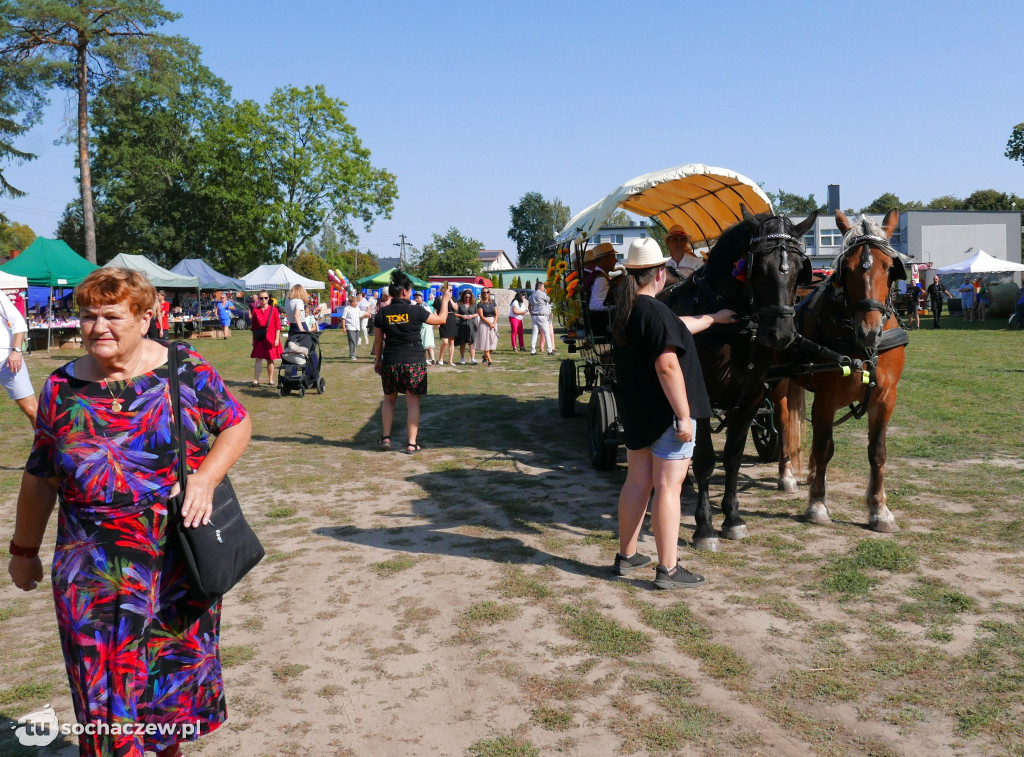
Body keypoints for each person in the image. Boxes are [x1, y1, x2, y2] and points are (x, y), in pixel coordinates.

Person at [7, 267, 251, 757]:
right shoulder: (61, 389)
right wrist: (23, 551)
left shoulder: (185, 368)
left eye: (112, 315)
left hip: (176, 561)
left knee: (168, 694)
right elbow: (41, 475)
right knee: (104, 697)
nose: (98, 327)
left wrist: (205, 479)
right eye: (88, 315)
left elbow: (236, 425)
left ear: (145, 317)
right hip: (93, 573)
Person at [610, 237, 733, 590]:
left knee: (637, 483)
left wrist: (712, 318)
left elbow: (679, 326)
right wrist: (683, 415)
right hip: (667, 416)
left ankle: (627, 556)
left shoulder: (629, 310)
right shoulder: (656, 312)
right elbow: (667, 366)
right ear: (661, 274)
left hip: (638, 413)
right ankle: (669, 569)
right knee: (668, 486)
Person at [373, 272, 453, 453]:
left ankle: (386, 438)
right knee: (413, 402)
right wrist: (446, 299)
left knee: (389, 399)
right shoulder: (416, 309)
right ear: (406, 292)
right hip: (413, 360)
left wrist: (378, 360)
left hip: (391, 359)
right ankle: (411, 443)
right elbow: (441, 320)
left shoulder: (382, 312)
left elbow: (378, 341)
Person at [0, 289, 36, 428]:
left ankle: (47, 446)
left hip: (7, 360)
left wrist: (16, 351)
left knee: (31, 409)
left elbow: (18, 321)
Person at [250, 290, 283, 386]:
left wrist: (277, 339)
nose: (263, 300)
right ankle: (256, 380)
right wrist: (253, 340)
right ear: (259, 299)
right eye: (261, 298)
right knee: (258, 358)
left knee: (270, 359)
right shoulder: (255, 311)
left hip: (271, 337)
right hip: (259, 338)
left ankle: (270, 379)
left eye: (265, 298)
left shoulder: (274, 310)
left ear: (268, 298)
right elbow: (254, 327)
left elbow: (278, 326)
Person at [474, 286, 499, 366]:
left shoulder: (493, 303)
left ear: (489, 293)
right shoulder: (480, 304)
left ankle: (485, 357)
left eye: (487, 292)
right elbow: (481, 316)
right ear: (482, 294)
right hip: (484, 324)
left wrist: (494, 323)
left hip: (493, 323)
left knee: (492, 343)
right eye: (484, 292)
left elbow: (496, 314)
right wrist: (489, 323)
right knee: (486, 343)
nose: (486, 294)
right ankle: (490, 361)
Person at [434, 287, 458, 365]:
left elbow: (455, 307)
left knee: (451, 341)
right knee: (445, 341)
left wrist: (450, 298)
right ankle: (440, 358)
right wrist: (436, 321)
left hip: (451, 318)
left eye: (451, 290)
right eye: (449, 289)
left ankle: (450, 360)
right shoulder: (438, 299)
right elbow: (435, 311)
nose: (450, 291)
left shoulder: (453, 298)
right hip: (442, 319)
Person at [529, 281, 554, 355]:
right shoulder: (542, 294)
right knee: (546, 333)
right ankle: (549, 350)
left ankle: (533, 350)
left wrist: (531, 314)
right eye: (543, 287)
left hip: (534, 315)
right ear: (540, 287)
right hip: (542, 315)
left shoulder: (532, 295)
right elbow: (550, 300)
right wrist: (546, 292)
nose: (544, 288)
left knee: (534, 333)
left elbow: (529, 306)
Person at [455, 289, 479, 364]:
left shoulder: (474, 303)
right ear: (463, 297)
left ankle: (473, 359)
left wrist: (472, 316)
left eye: (469, 297)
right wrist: (462, 316)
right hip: (462, 324)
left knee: (471, 342)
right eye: (466, 297)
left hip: (472, 324)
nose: (467, 299)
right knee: (462, 343)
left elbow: (477, 313)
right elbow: (455, 313)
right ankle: (462, 358)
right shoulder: (459, 303)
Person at [342, 295, 368, 360]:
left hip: (357, 327)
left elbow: (360, 316)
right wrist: (344, 327)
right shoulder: (347, 309)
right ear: (352, 302)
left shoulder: (357, 309)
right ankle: (352, 355)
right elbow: (343, 318)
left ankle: (353, 353)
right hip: (350, 327)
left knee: (356, 341)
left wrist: (366, 316)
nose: (357, 303)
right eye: (356, 302)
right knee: (352, 341)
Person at [414, 292, 437, 364]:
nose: (416, 299)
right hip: (421, 326)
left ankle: (429, 359)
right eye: (415, 297)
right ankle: (430, 359)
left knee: (426, 343)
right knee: (426, 343)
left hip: (426, 326)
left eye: (418, 297)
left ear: (422, 298)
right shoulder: (415, 305)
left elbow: (428, 315)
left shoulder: (425, 305)